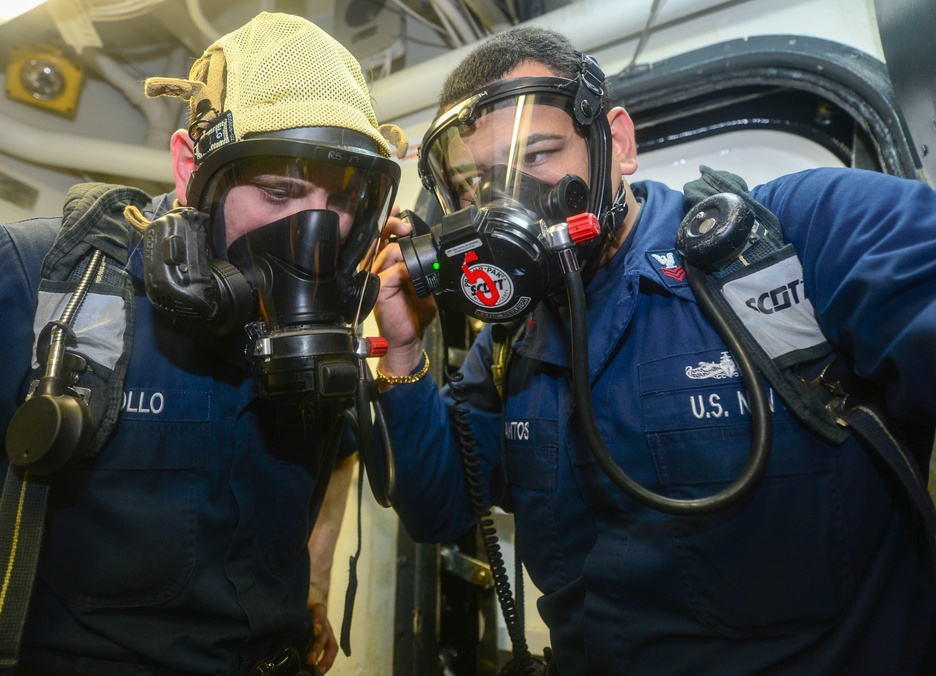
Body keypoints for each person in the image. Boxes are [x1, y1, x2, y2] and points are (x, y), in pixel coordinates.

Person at [371, 25, 936, 675]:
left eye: (537, 157)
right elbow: (438, 506)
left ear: (617, 142)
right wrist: (405, 351)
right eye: (476, 186)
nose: (504, 206)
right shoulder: (507, 351)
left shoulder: (798, 237)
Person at [0, 12, 405, 675]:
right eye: (279, 191)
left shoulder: (318, 327)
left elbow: (338, 458)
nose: (313, 238)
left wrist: (315, 587)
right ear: (191, 168)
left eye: (343, 202)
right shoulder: (41, 278)